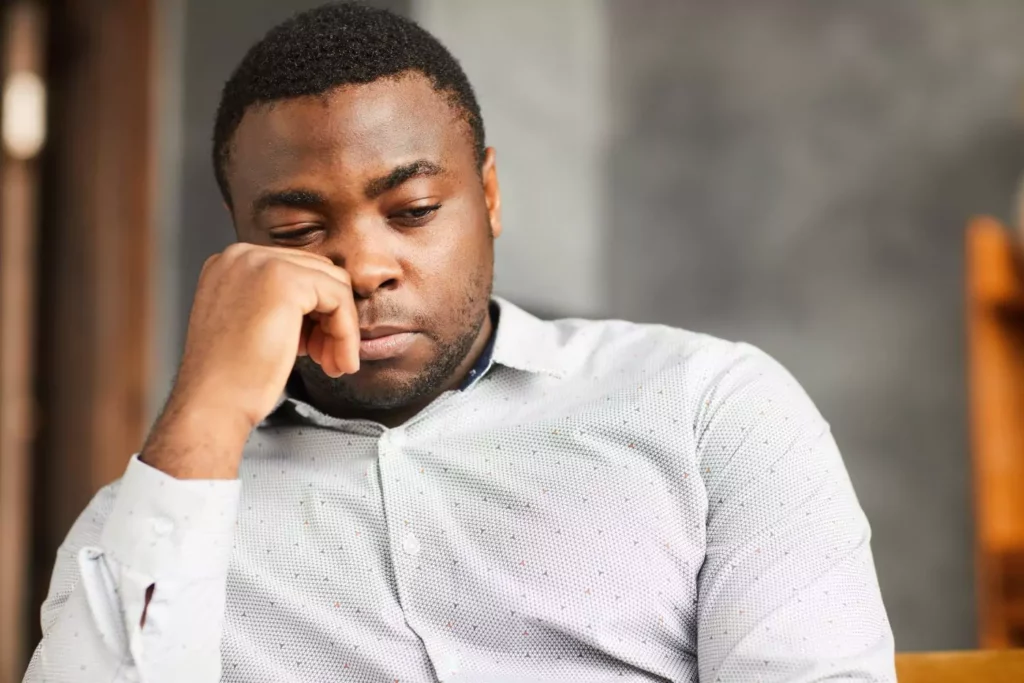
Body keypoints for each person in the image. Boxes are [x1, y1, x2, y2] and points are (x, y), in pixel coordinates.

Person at [24, 3, 895, 682]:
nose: (365, 267)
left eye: (412, 211)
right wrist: (205, 411)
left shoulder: (707, 409)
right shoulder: (154, 517)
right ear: (240, 247)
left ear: (489, 195)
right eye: (296, 230)